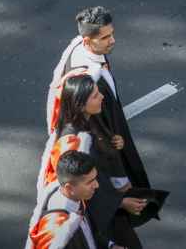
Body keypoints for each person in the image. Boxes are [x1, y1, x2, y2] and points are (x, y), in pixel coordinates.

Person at [40, 74, 166, 249]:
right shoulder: (74, 143)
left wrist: (114, 142)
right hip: (100, 217)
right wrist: (119, 202)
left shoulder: (85, 121)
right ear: (80, 104)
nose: (102, 97)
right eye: (95, 95)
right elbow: (84, 186)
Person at [47, 6, 150, 191]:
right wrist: (121, 183)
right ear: (87, 41)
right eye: (105, 38)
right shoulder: (88, 84)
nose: (112, 41)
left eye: (112, 34)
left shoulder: (84, 50)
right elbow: (99, 136)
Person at [28, 150, 108, 249]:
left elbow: (89, 233)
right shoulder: (55, 228)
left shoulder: (75, 197)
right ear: (69, 188)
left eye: (95, 178)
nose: (97, 185)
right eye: (89, 182)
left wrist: (110, 245)